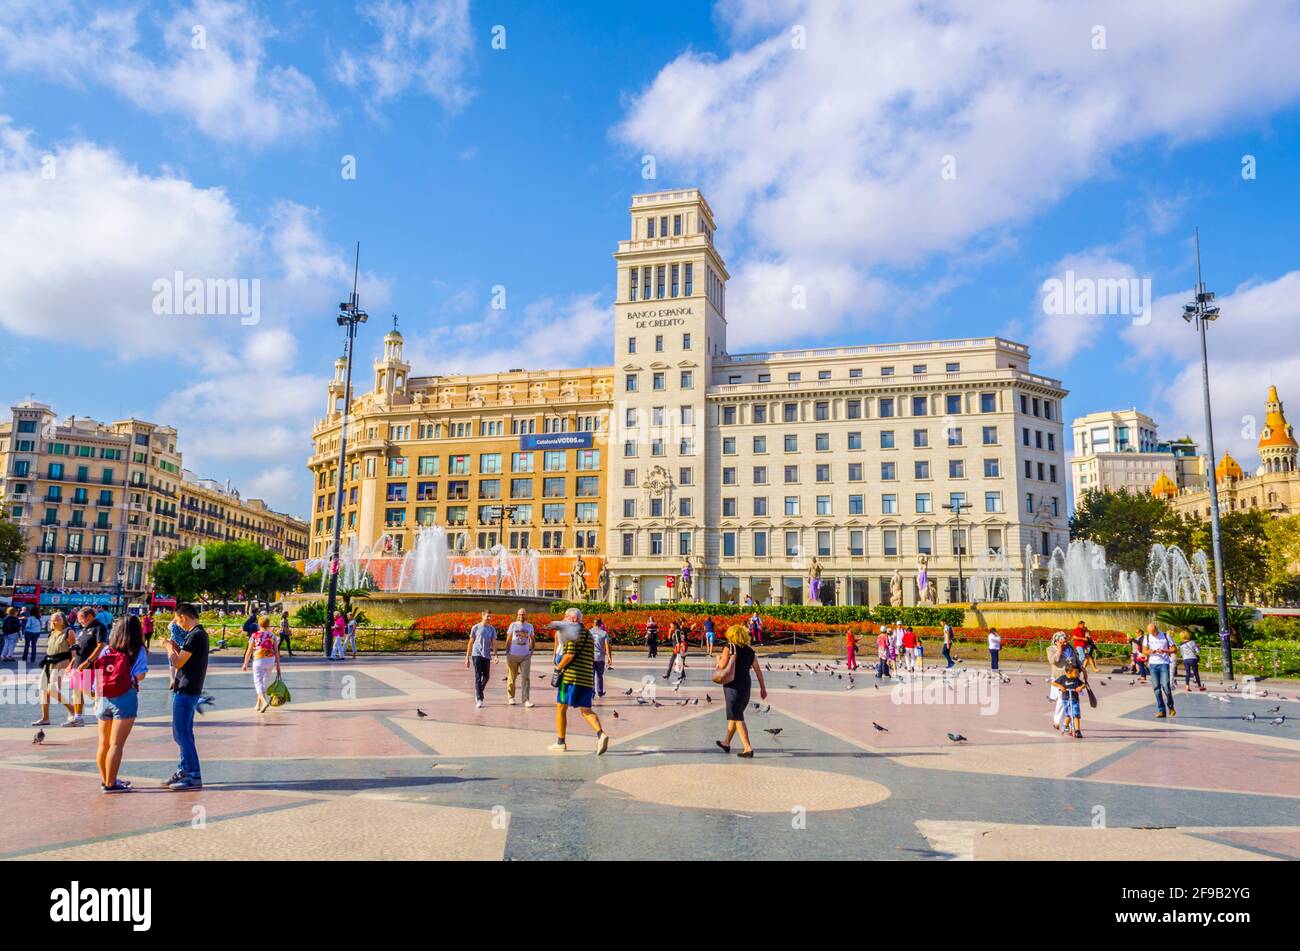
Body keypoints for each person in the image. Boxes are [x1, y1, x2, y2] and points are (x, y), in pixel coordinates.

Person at [91, 617, 145, 792]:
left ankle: (105, 779)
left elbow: (98, 674)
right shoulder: (138, 649)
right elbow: (140, 675)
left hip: (104, 697)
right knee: (116, 744)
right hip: (125, 697)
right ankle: (111, 784)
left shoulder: (106, 649)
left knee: (103, 744)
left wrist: (97, 699)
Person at [160, 603, 208, 791]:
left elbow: (178, 662)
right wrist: (175, 646)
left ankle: (193, 775)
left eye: (179, 620)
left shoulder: (195, 635)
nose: (179, 625)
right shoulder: (198, 634)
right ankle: (184, 769)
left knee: (182, 733)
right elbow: (187, 658)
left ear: (184, 617)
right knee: (182, 732)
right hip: (189, 688)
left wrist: (167, 647)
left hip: (187, 689)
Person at [547, 608, 609, 754]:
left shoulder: (571, 633)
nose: (564, 620)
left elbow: (569, 655)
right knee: (586, 710)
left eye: (566, 617)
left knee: (560, 706)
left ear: (574, 619)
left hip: (571, 678)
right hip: (587, 679)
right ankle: (601, 734)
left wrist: (558, 668)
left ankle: (561, 742)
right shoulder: (588, 634)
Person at [715, 624, 767, 758]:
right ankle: (726, 742)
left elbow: (722, 665)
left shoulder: (729, 647)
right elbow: (758, 670)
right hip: (745, 685)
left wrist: (718, 659)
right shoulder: (750, 651)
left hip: (732, 685)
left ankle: (747, 748)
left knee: (737, 716)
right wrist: (762, 688)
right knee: (735, 714)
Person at [33, 611, 76, 727]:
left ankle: (72, 708)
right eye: (52, 620)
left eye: (57, 619)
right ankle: (45, 718)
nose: (54, 621)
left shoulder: (69, 632)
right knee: (43, 689)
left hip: (61, 661)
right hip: (48, 662)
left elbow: (74, 651)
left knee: (52, 689)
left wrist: (71, 663)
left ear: (63, 620)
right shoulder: (52, 633)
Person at [241, 615, 282, 713]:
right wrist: (278, 665)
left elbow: (249, 651)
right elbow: (276, 651)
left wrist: (245, 663)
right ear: (268, 624)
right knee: (264, 682)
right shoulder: (272, 636)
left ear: (259, 624)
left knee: (258, 683)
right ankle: (258, 704)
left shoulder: (254, 635)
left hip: (258, 660)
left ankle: (264, 702)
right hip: (270, 660)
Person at [1144, 623, 1177, 719]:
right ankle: (1161, 710)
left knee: (1166, 686)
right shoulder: (1147, 637)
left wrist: (1165, 651)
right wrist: (1151, 651)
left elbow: (1175, 649)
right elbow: (1144, 651)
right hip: (1153, 665)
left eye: (1153, 632)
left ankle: (1171, 706)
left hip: (1164, 664)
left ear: (1156, 629)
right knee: (1156, 688)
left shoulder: (1166, 636)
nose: (1152, 634)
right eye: (1150, 633)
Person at [464, 611, 497, 708]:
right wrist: (467, 658)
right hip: (476, 654)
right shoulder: (476, 627)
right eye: (487, 616)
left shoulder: (492, 629)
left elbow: (494, 642)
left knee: (486, 676)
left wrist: (496, 655)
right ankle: (479, 699)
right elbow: (470, 642)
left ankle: (478, 690)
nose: (489, 618)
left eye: (490, 617)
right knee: (478, 676)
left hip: (486, 655)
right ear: (482, 616)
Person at [504, 608, 535, 707]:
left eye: (523, 614)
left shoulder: (530, 626)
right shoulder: (513, 625)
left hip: (525, 656)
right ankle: (511, 697)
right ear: (517, 615)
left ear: (526, 615)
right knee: (512, 677)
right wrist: (507, 653)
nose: (521, 616)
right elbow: (508, 640)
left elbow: (532, 639)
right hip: (512, 655)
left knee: (525, 677)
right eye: (520, 614)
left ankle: (526, 700)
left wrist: (531, 650)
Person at [1051, 662, 1087, 739]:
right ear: (1068, 672)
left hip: (1075, 700)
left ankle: (1077, 731)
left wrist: (1080, 687)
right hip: (1065, 700)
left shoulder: (1076, 680)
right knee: (1068, 715)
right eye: (1076, 672)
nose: (1077, 674)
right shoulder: (1063, 678)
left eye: (1077, 672)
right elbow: (1053, 683)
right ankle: (1065, 725)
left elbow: (1084, 684)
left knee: (1076, 714)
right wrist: (1061, 686)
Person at [1046, 631, 1069, 731]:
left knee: (1070, 700)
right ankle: (1057, 721)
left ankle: (1067, 723)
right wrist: (1059, 650)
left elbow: (1075, 659)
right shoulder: (1051, 649)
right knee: (1061, 699)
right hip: (1058, 677)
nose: (1065, 642)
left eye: (1066, 640)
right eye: (1063, 640)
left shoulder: (1068, 649)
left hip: (1070, 677)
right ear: (1057, 641)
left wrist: (1083, 670)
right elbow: (1053, 661)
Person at [590, 618, 612, 698]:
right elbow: (607, 646)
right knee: (599, 675)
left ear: (593, 624)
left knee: (591, 676)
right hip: (600, 658)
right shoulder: (604, 633)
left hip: (590, 657)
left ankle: (591, 693)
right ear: (600, 624)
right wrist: (609, 657)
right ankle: (600, 692)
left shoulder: (589, 632)